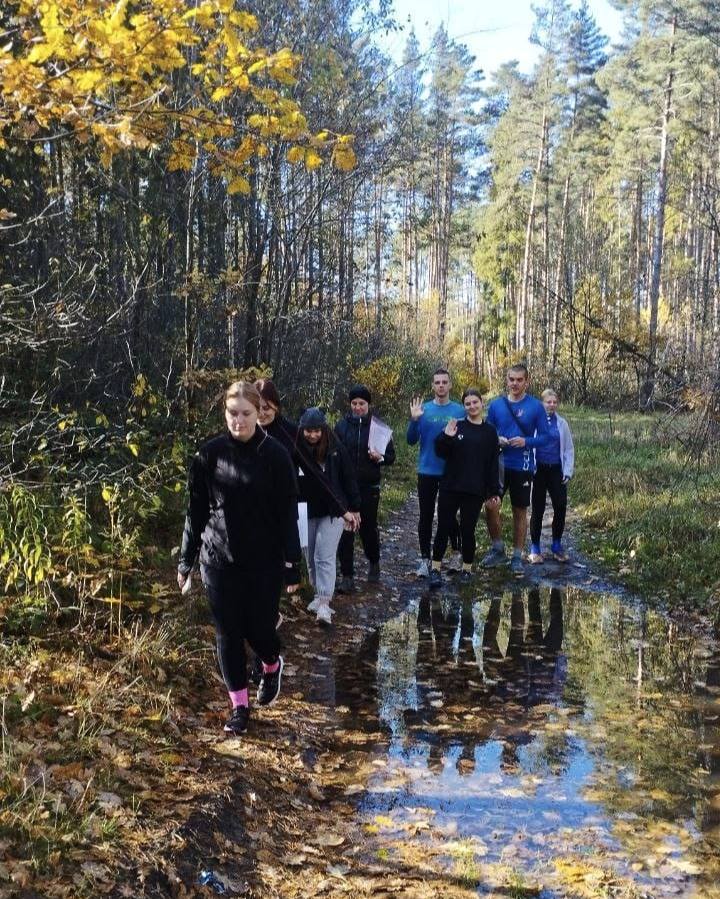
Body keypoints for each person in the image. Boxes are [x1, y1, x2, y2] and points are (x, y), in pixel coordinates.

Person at [177, 381, 301, 736]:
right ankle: (239, 708)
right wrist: (186, 561)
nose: (239, 421)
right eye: (232, 413)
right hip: (218, 561)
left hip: (264, 563)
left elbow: (286, 516)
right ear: (225, 413)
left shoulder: (275, 455)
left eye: (246, 413)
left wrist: (293, 564)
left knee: (259, 629)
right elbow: (195, 511)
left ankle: (271, 663)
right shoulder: (209, 454)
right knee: (228, 633)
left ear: (258, 412)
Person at [429, 388, 501, 588]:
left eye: (475, 402)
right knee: (443, 527)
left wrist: (493, 491)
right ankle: (435, 569)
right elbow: (440, 451)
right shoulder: (456, 425)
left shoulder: (489, 432)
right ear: (464, 406)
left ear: (481, 404)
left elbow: (492, 463)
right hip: (450, 487)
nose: (472, 406)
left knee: (468, 530)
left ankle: (467, 570)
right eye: (468, 403)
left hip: (474, 490)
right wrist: (447, 436)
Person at [296, 407, 361, 625]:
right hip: (306, 510)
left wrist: (354, 508)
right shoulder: (296, 450)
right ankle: (318, 594)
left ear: (324, 430)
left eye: (317, 431)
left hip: (334, 511)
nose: (312, 435)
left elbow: (349, 478)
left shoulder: (335, 450)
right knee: (310, 555)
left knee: (324, 556)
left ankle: (325, 603)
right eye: (308, 431)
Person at [483, 363, 550, 575]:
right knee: (491, 505)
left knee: (519, 510)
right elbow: (487, 432)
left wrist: (526, 441)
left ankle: (517, 555)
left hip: (523, 465)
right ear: (507, 380)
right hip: (499, 464)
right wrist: (497, 440)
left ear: (526, 382)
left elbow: (547, 437)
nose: (515, 383)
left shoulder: (536, 407)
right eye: (511, 379)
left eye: (519, 380)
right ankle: (498, 548)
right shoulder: (495, 406)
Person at [334, 384, 396, 591]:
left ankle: (374, 561)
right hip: (345, 487)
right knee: (346, 529)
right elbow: (333, 455)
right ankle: (347, 577)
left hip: (369, 486)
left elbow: (391, 457)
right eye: (354, 403)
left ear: (369, 404)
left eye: (362, 403)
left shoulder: (379, 427)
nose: (358, 407)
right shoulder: (341, 427)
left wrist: (381, 458)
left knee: (368, 529)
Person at [406, 368, 465, 577]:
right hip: (427, 470)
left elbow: (465, 441)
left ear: (450, 385)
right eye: (437, 382)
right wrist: (413, 420)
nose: (441, 385)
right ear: (432, 386)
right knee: (426, 515)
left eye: (444, 382)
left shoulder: (460, 411)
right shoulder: (423, 410)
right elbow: (411, 440)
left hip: (450, 472)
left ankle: (456, 554)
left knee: (448, 515)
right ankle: (425, 560)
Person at [528, 389, 575, 563]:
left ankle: (556, 545)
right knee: (538, 509)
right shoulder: (534, 422)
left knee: (561, 506)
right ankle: (535, 547)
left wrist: (568, 471)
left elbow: (569, 449)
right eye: (549, 402)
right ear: (542, 403)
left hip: (556, 470)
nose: (552, 405)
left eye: (555, 402)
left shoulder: (562, 423)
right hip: (538, 470)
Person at [254, 377, 299, 455]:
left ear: (276, 406)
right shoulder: (245, 432)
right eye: (256, 408)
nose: (260, 414)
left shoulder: (292, 433)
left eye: (266, 408)